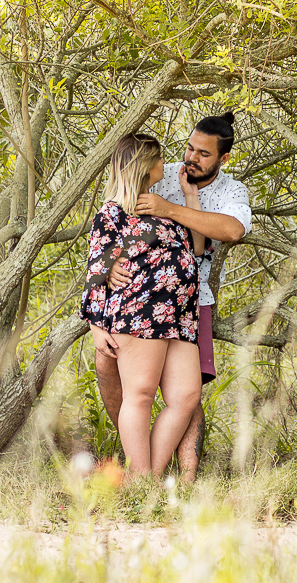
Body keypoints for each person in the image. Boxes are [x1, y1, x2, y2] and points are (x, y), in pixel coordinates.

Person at [97, 112, 252, 482]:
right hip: (143, 306)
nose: (189, 158)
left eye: (203, 154)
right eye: (188, 149)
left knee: (185, 395)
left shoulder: (220, 192)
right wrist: (98, 309)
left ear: (223, 158)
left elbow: (216, 239)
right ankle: (140, 475)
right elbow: (104, 250)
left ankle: (162, 478)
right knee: (136, 389)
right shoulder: (143, 188)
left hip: (186, 307)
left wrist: (182, 202)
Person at [79, 133, 205, 477]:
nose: (166, 163)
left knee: (186, 396)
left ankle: (145, 479)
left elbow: (196, 247)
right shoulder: (112, 213)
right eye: (160, 158)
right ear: (144, 165)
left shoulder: (161, 207)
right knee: (141, 394)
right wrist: (95, 327)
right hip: (140, 315)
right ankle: (142, 482)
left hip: (179, 318)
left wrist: (191, 197)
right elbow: (95, 272)